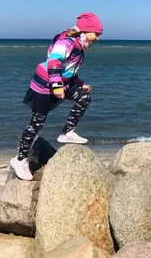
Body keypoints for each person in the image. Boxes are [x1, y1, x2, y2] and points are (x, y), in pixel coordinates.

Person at [10, 12, 103, 180]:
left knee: (84, 96)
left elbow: (69, 69)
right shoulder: (67, 42)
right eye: (96, 34)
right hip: (45, 86)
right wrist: (56, 85)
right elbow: (54, 61)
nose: (97, 38)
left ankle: (67, 132)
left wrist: (80, 84)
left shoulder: (81, 47)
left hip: (61, 83)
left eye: (99, 35)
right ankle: (20, 160)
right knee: (36, 124)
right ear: (86, 30)